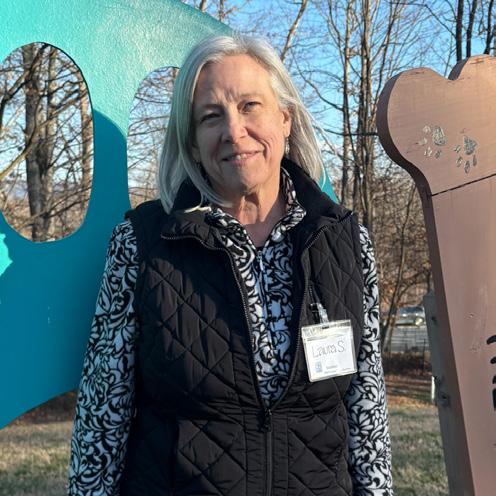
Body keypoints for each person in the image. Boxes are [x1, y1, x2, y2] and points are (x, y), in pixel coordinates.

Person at [68, 34, 392, 496]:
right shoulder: (143, 244)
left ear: (285, 118)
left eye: (249, 106)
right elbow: (101, 422)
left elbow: (367, 414)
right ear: (192, 143)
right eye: (211, 116)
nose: (234, 131)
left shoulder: (344, 240)